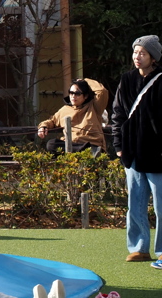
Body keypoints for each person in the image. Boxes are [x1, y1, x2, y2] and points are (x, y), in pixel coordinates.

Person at [112, 34, 162, 264]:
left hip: (158, 154)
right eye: (135, 52)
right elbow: (118, 115)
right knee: (135, 204)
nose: (137, 57)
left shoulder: (161, 80)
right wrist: (119, 147)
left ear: (153, 57)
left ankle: (161, 251)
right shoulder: (127, 79)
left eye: (142, 53)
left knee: (161, 205)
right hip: (132, 152)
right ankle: (139, 248)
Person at [37, 78, 109, 155]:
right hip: (71, 144)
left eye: (77, 93)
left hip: (91, 144)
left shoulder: (95, 107)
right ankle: (83, 152)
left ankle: (89, 151)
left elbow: (102, 91)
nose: (73, 96)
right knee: (51, 144)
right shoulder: (64, 110)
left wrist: (84, 80)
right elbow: (52, 121)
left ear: (86, 96)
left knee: (90, 148)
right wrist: (43, 126)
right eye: (71, 93)